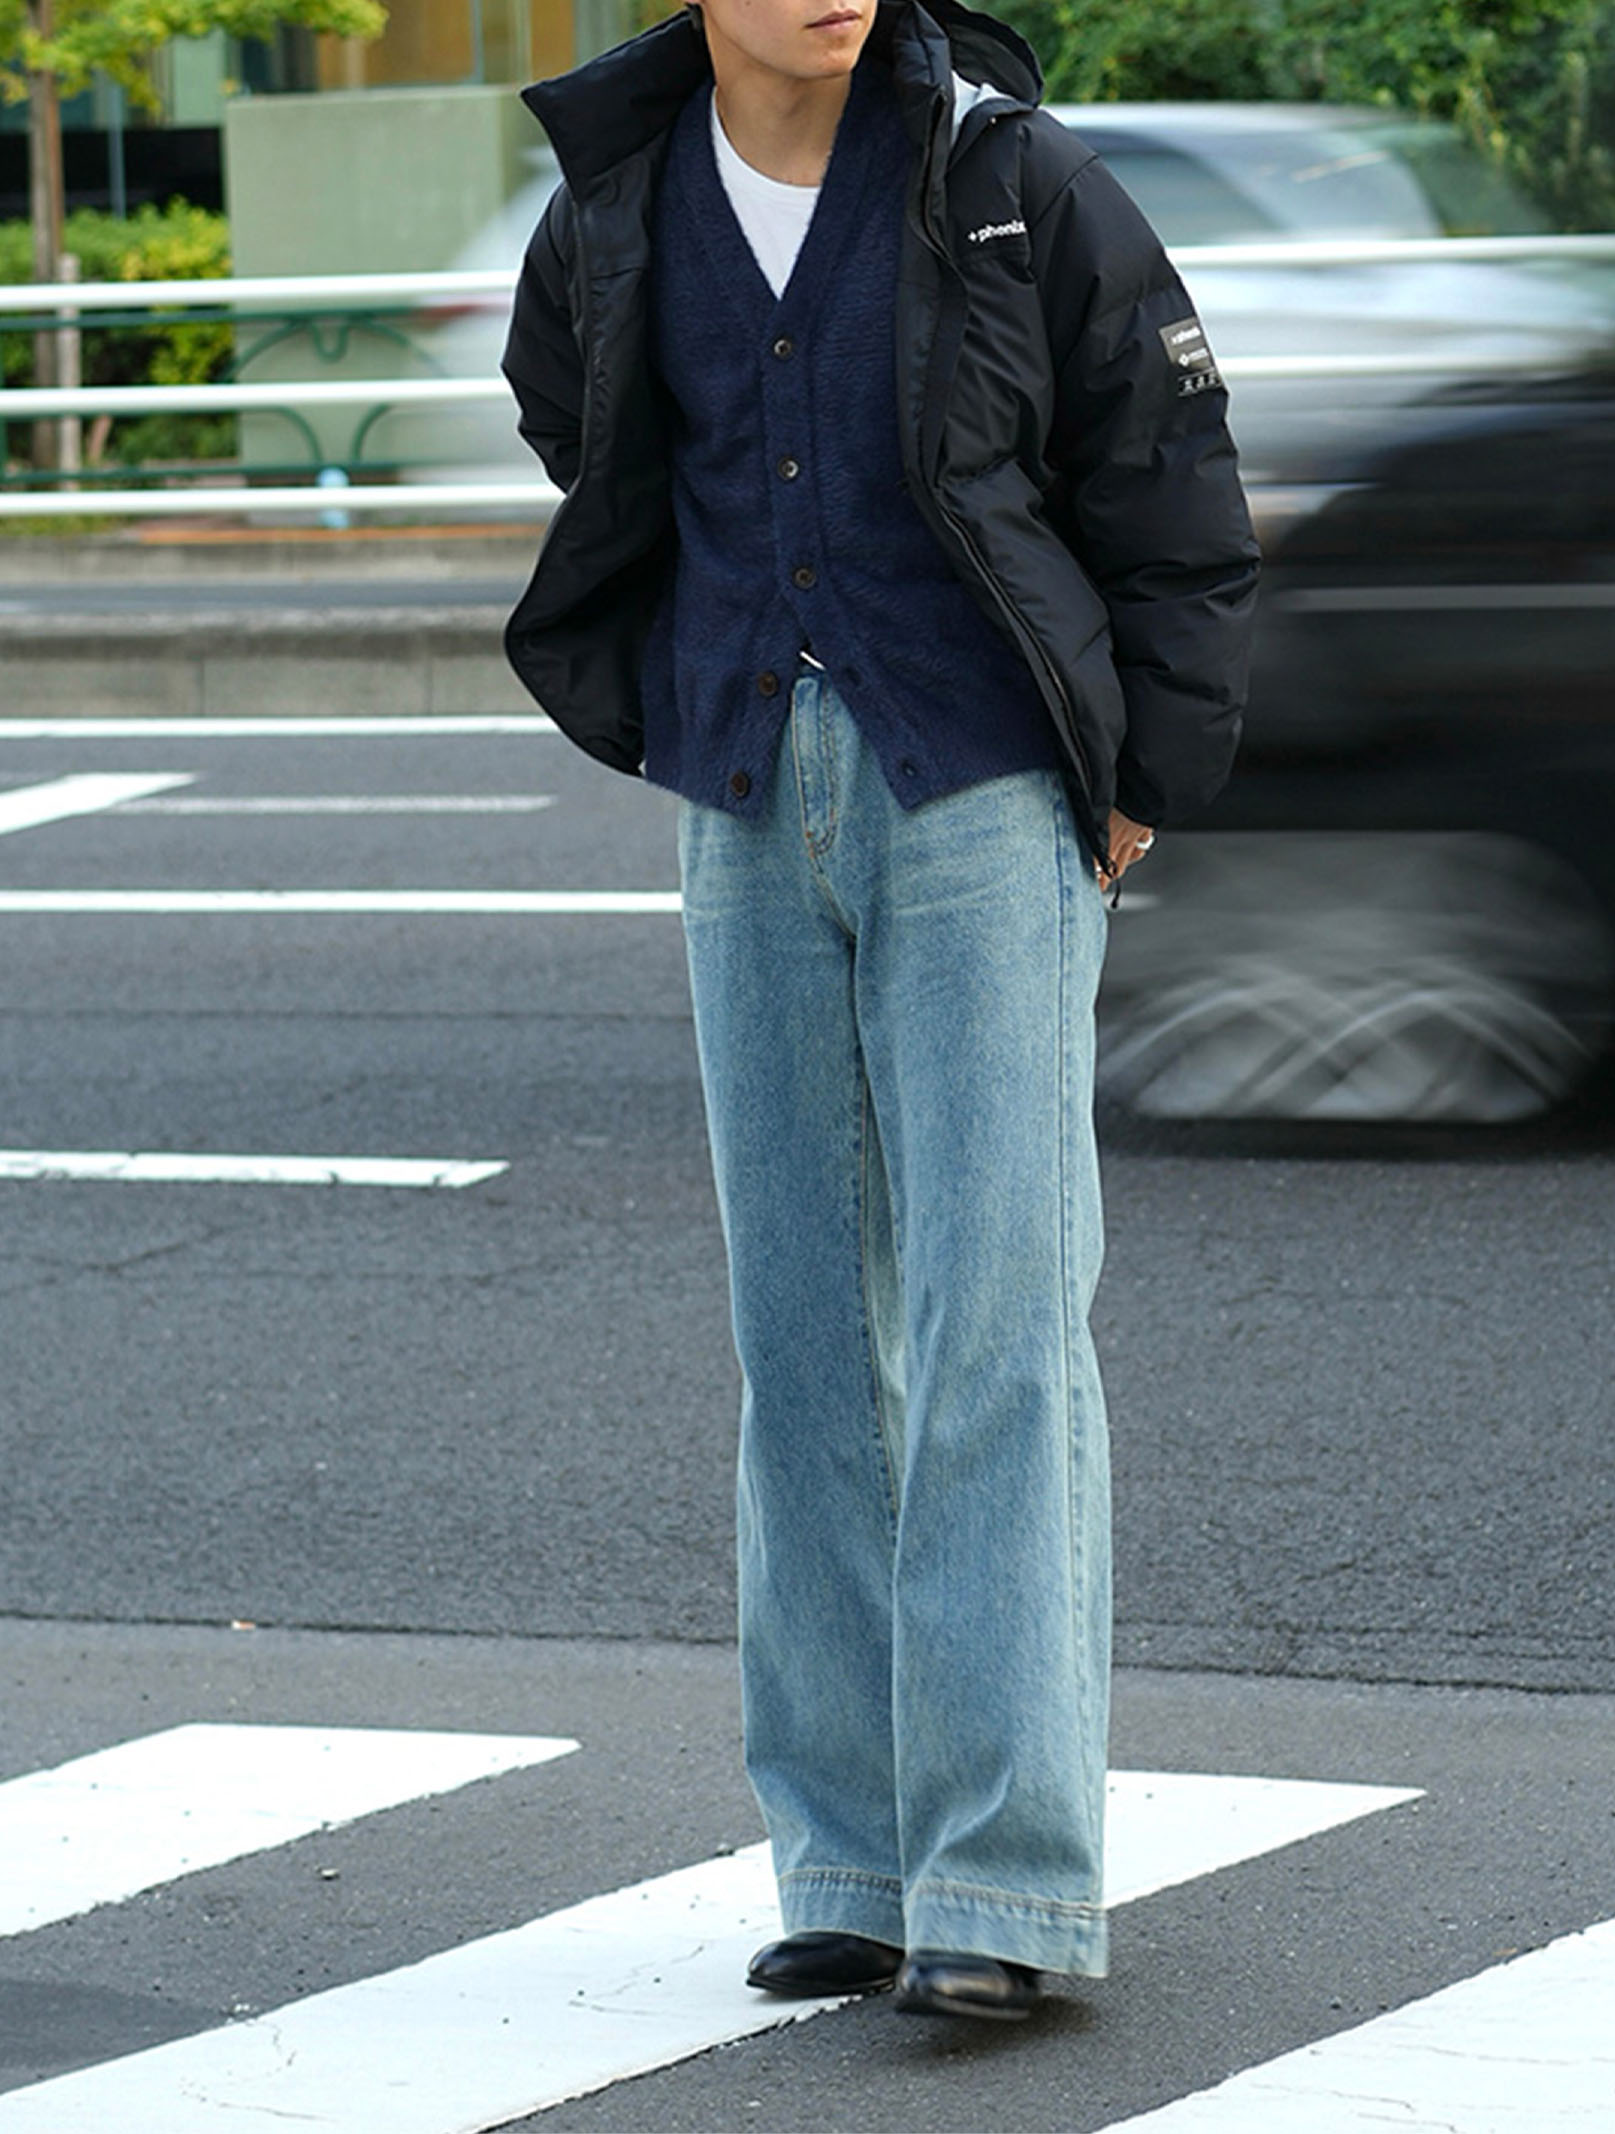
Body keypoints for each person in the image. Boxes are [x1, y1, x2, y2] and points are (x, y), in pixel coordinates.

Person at [503, 0, 1258, 2021]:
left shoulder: (1009, 180)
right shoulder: (617, 203)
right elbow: (580, 418)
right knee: (803, 1342)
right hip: (745, 791)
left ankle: (1003, 1881)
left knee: (998, 1328)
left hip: (984, 791)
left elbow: (1168, 468)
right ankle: (846, 1858)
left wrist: (1142, 770)